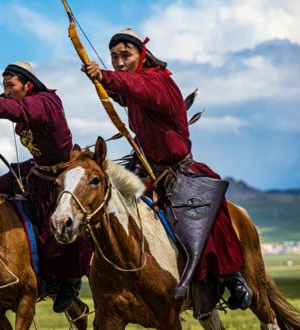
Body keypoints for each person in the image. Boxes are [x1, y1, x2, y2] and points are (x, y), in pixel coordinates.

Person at [81, 29, 252, 310]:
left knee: (206, 214)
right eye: (114, 57)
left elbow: (138, 88)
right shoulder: (136, 85)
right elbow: (127, 94)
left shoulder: (159, 82)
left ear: (142, 54)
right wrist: (106, 83)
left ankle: (231, 277)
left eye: (126, 55)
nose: (119, 62)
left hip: (178, 170)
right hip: (146, 168)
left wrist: (104, 76)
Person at [0, 61, 93, 313]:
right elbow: (9, 104)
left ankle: (67, 284)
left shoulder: (45, 102)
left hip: (60, 176)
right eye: (4, 86)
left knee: (55, 238)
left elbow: (17, 108)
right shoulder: (22, 100)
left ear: (28, 85)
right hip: (35, 169)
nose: (6, 91)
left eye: (11, 85)